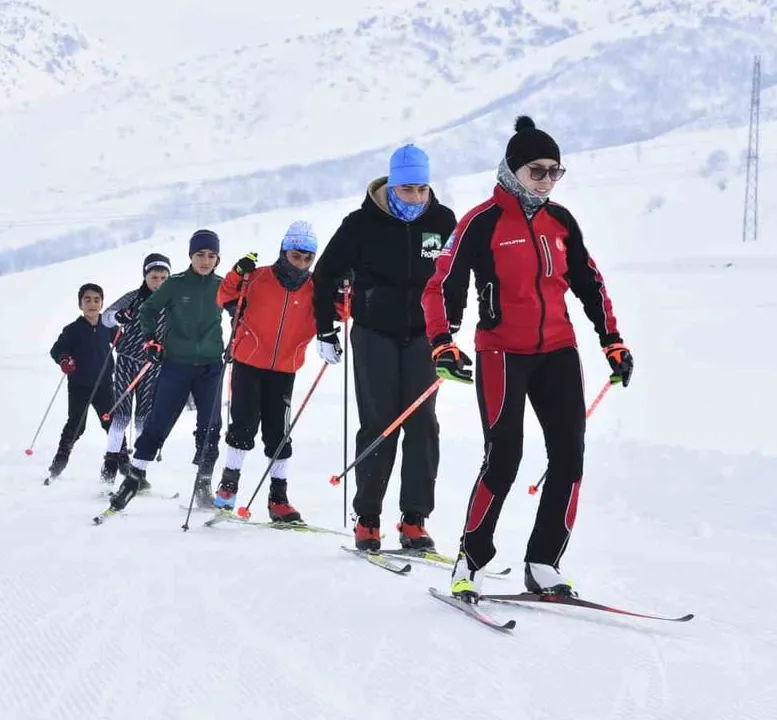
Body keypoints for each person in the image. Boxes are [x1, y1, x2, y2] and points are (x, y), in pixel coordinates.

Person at [421, 115, 634, 600]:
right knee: (504, 456)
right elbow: (441, 285)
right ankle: (470, 560)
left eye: (556, 171)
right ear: (512, 169)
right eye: (537, 170)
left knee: (569, 457)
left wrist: (612, 340)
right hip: (501, 352)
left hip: (557, 349)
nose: (547, 179)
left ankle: (543, 563)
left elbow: (589, 282)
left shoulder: (561, 222)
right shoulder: (482, 221)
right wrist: (443, 341)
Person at [311, 143, 457, 552]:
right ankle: (368, 517)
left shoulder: (443, 221)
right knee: (380, 422)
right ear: (392, 186)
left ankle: (414, 519)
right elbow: (324, 276)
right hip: (374, 332)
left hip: (424, 336)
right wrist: (325, 330)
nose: (415, 198)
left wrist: (451, 325)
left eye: (422, 190)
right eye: (407, 190)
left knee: (422, 422)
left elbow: (458, 275)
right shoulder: (360, 223)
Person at [108, 229, 226, 512]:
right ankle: (132, 480)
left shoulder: (223, 286)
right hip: (177, 364)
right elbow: (147, 311)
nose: (205, 260)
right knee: (158, 422)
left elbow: (242, 309)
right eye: (200, 255)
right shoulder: (174, 285)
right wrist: (151, 340)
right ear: (190, 256)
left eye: (211, 256)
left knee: (211, 427)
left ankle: (203, 485)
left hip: (211, 365)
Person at [211, 221, 320, 523]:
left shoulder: (315, 287)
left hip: (285, 367)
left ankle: (278, 498)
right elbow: (224, 296)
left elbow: (340, 312)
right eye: (296, 256)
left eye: (308, 258)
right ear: (284, 251)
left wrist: (344, 288)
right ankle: (229, 485)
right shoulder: (257, 278)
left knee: (278, 432)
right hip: (248, 361)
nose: (301, 263)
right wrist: (236, 271)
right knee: (243, 424)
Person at [99, 253, 172, 483]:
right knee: (121, 416)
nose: (158, 282)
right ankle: (110, 465)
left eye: (163, 277)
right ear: (145, 276)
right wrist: (120, 316)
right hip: (127, 360)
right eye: (154, 277)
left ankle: (138, 472)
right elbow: (106, 318)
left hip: (154, 364)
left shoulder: (173, 301)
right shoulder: (133, 297)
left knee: (144, 418)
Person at [45, 283, 120, 480]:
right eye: (87, 300)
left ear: (102, 303)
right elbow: (57, 350)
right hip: (79, 386)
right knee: (77, 425)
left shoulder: (108, 326)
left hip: (104, 386)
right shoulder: (72, 330)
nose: (92, 304)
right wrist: (64, 360)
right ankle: (59, 463)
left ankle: (123, 464)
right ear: (80, 304)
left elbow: (123, 342)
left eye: (97, 300)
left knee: (112, 425)